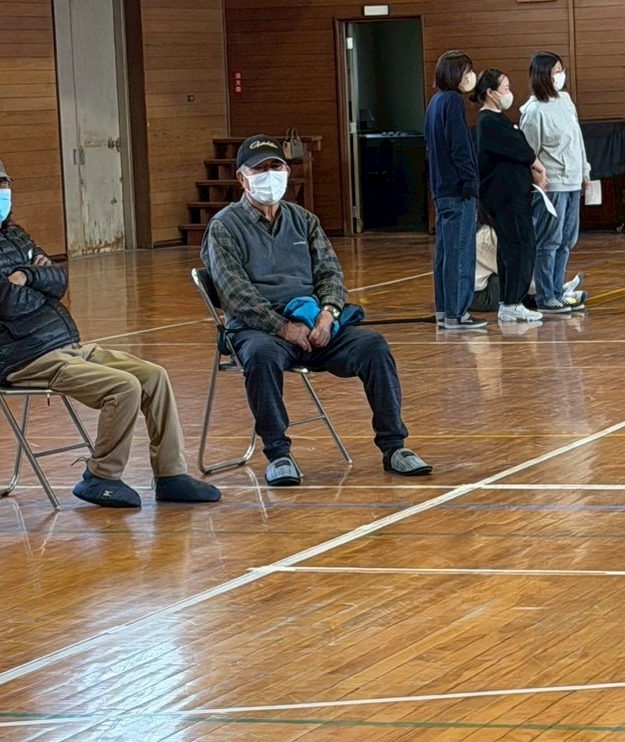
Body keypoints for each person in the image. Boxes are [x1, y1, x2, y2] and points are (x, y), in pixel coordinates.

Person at [0, 151, 221, 510]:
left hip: (62, 343)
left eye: (2, 184)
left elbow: (59, 279)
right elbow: (6, 304)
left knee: (154, 376)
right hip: (22, 357)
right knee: (123, 387)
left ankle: (171, 475)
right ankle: (101, 477)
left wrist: (28, 276)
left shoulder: (13, 232)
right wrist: (38, 282)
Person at [201, 135, 431, 486]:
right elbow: (237, 296)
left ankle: (394, 446)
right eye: (259, 169)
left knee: (374, 347)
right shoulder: (223, 227)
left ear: (287, 171)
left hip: (314, 324)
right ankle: (278, 454)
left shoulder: (304, 220)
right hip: (261, 329)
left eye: (275, 166)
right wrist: (282, 327)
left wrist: (328, 314)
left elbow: (330, 274)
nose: (269, 175)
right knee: (261, 357)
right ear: (241, 179)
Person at [472, 69, 547, 324]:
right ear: (490, 93)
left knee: (518, 245)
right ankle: (513, 301)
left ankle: (511, 300)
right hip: (504, 198)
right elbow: (521, 148)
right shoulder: (488, 122)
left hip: (515, 196)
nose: (508, 92)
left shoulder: (499, 120)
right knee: (517, 246)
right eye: (504, 88)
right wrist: (535, 163)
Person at [519, 51, 589, 314]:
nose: (560, 76)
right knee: (549, 240)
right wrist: (539, 178)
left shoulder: (566, 100)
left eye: (561, 70)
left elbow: (577, 139)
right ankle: (546, 295)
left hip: (572, 181)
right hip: (553, 185)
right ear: (542, 76)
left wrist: (584, 171)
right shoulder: (534, 111)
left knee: (567, 239)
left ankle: (557, 290)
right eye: (555, 71)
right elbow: (529, 152)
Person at [425, 49, 485, 332]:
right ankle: (457, 313)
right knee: (461, 251)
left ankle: (443, 310)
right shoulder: (452, 102)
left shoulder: (435, 102)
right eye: (466, 71)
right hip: (458, 189)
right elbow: (460, 146)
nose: (470, 76)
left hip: (441, 188)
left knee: (445, 253)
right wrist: (471, 183)